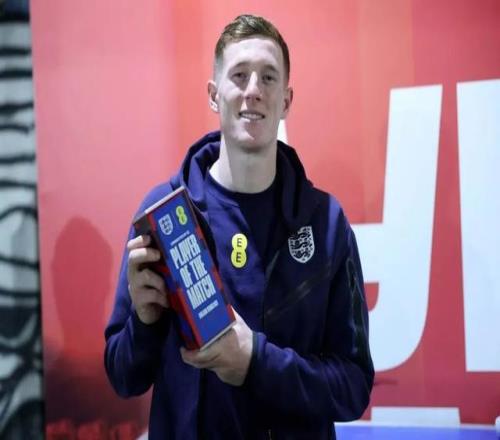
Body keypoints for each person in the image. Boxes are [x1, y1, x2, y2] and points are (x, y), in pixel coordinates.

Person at [104, 14, 374, 440]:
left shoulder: (326, 223)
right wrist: (144, 321)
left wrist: (255, 362)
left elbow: (353, 387)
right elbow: (123, 377)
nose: (253, 90)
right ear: (214, 95)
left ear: (286, 100)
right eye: (239, 75)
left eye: (268, 77)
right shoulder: (166, 214)